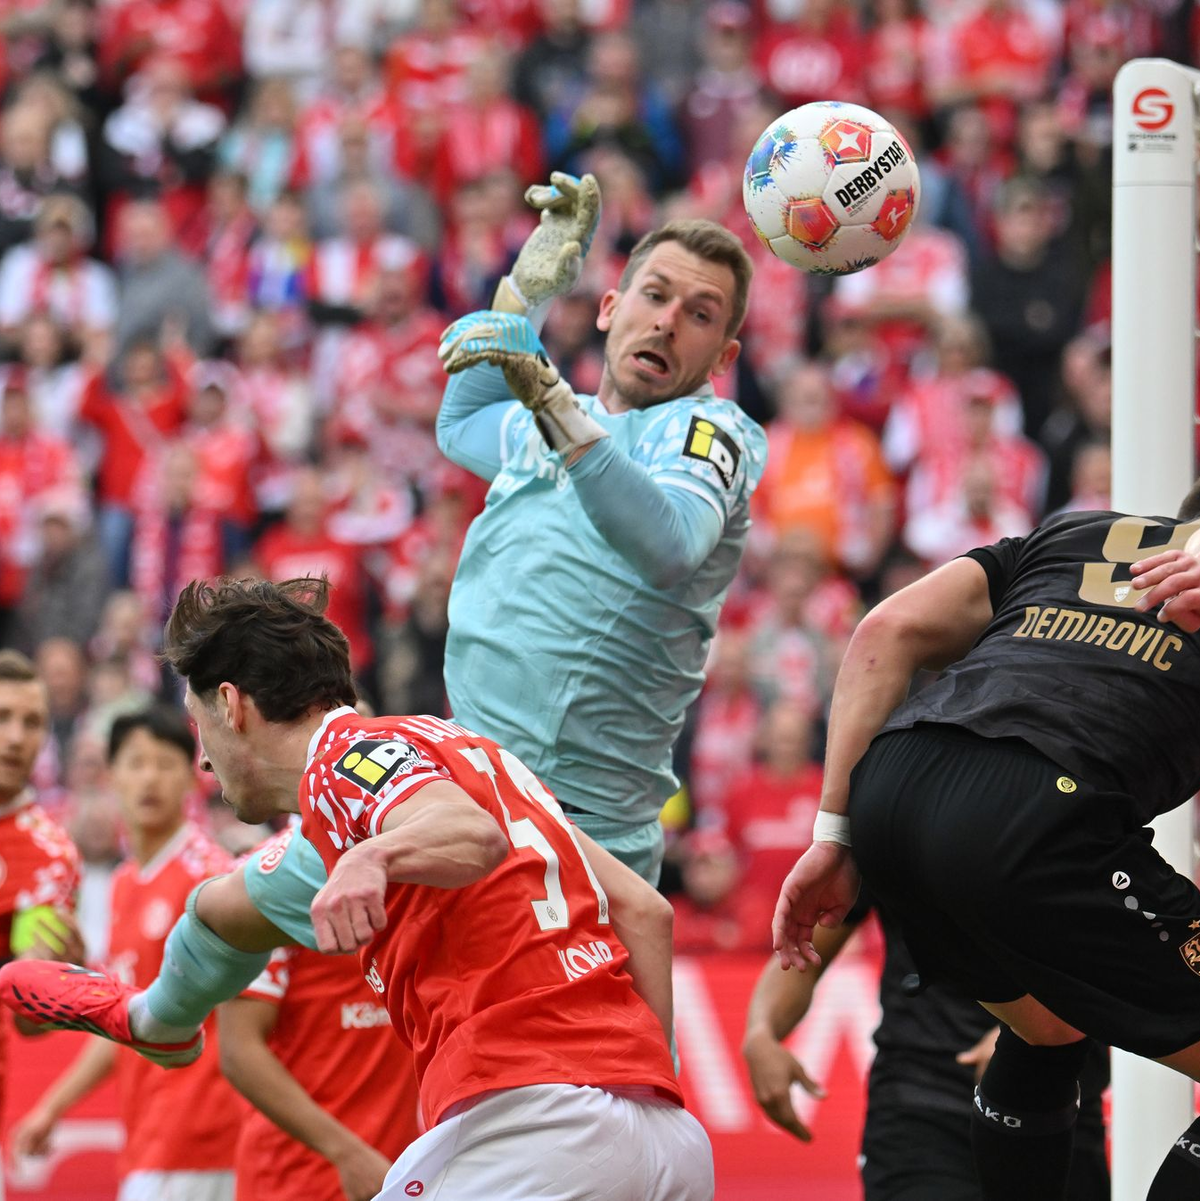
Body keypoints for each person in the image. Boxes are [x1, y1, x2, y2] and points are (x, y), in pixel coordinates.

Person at [3, 577, 711, 1201]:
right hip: (664, 1140)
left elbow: (468, 836)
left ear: (232, 704)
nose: (204, 762)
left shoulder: (343, 762)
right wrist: (153, 1018)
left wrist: (372, 860)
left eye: (198, 729)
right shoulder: (475, 754)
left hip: (532, 1121)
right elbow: (644, 911)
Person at [770, 482, 1200, 1201]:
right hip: (1034, 811)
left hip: (893, 791)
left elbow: (887, 628)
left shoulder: (1071, 535)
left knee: (1048, 1031)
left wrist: (836, 837)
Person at [437, 179, 766, 883]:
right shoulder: (563, 416)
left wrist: (550, 398)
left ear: (724, 357)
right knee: (233, 907)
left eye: (700, 314)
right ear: (610, 308)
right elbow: (461, 423)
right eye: (654, 295)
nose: (668, 322)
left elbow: (670, 544)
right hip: (466, 787)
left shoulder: (708, 429)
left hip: (575, 831)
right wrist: (525, 290)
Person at [743, 887, 1110, 1200]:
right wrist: (761, 1032)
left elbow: (1116, 952)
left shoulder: (1074, 814)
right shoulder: (881, 811)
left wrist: (1029, 1034)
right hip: (922, 1107)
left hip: (1057, 1109)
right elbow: (804, 949)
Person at [12, 707, 244, 1201]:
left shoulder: (212, 880)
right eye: (135, 763)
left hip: (207, 1140)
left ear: (191, 778)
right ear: (111, 776)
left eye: (164, 764)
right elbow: (127, 1016)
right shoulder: (121, 885)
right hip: (151, 1137)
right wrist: (53, 1106)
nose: (149, 778)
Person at [218, 828, 420, 1201]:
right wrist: (346, 1153)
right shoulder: (264, 878)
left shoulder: (418, 861)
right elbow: (238, 1051)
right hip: (297, 1180)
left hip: (396, 1171)